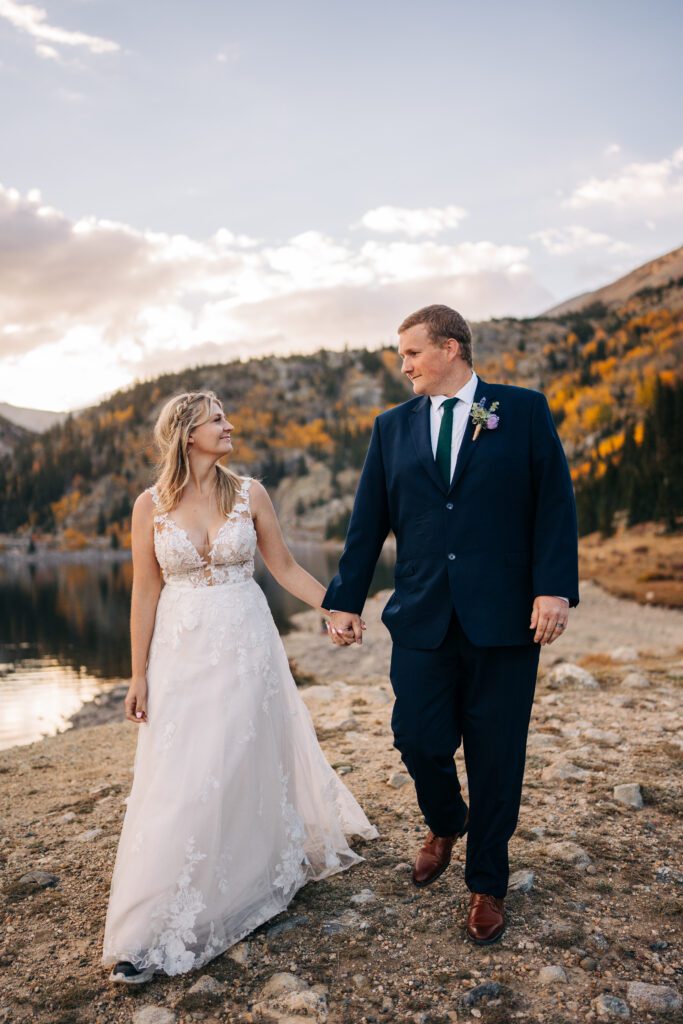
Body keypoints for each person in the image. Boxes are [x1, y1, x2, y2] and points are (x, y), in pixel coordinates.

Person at [324, 305, 579, 945]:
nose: (403, 365)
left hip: (505, 617)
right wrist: (344, 600)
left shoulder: (520, 410)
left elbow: (554, 503)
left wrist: (554, 588)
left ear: (452, 347)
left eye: (411, 352)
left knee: (498, 755)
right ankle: (445, 818)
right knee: (416, 735)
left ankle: (486, 883)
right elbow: (367, 524)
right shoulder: (391, 428)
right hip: (421, 612)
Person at [103, 391, 377, 984]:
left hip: (246, 645)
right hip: (180, 652)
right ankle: (152, 921)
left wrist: (336, 609)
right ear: (185, 433)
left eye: (226, 417)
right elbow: (144, 592)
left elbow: (282, 567)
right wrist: (138, 673)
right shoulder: (148, 506)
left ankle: (246, 873)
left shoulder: (249, 493)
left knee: (235, 759)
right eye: (218, 420)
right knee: (180, 775)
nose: (231, 426)